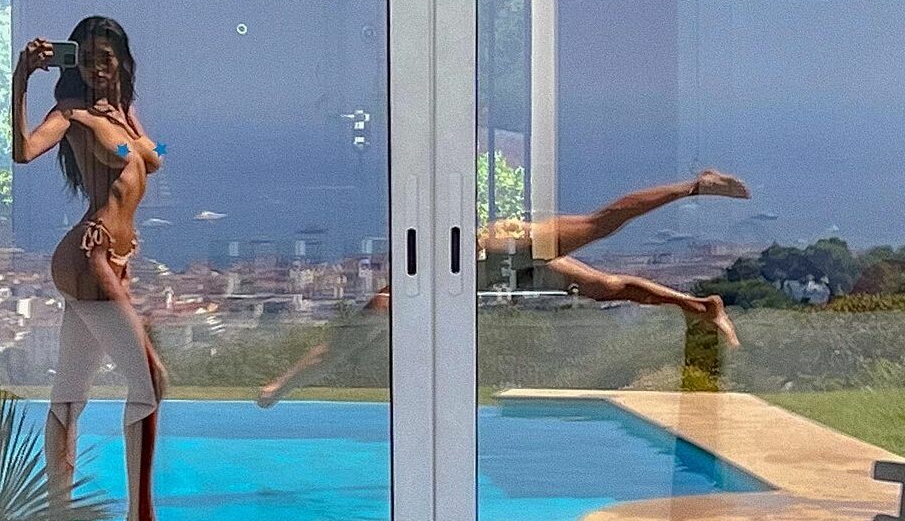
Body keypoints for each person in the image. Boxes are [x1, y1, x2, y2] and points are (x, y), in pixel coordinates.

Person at [257, 169, 748, 408]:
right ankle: (701, 306)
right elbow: (338, 347)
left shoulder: (405, 292)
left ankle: (695, 186)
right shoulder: (398, 297)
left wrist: (281, 386)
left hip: (507, 251)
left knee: (600, 226)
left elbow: (338, 347)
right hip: (508, 270)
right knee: (607, 287)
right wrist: (283, 385)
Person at [12, 16, 185, 521]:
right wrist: (21, 79)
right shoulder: (71, 113)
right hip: (91, 259)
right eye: (86, 57)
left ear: (121, 60)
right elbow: (23, 151)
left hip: (113, 260)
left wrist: (141, 138)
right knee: (152, 380)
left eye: (105, 56)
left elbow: (153, 155)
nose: (95, 65)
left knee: (70, 390)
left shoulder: (124, 113)